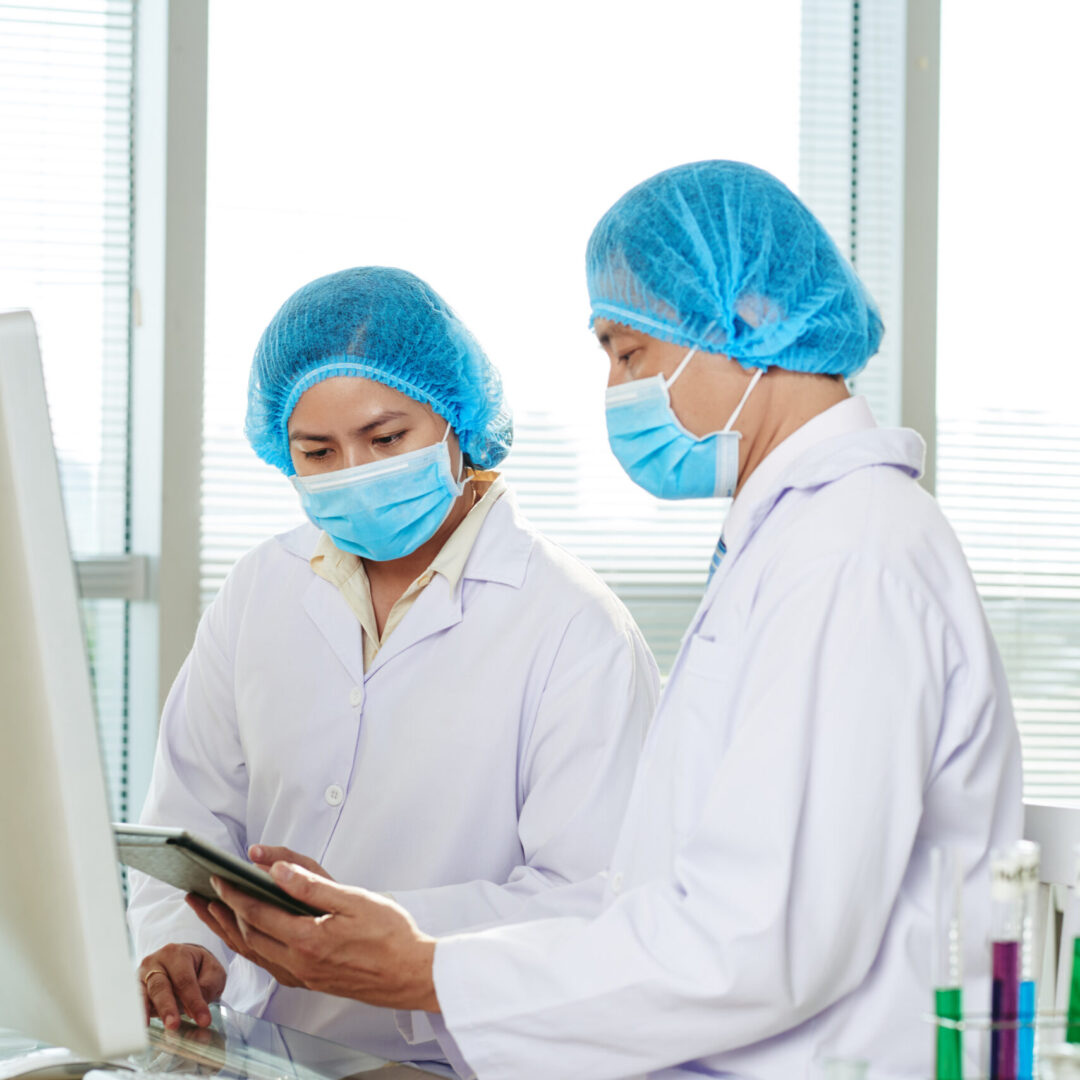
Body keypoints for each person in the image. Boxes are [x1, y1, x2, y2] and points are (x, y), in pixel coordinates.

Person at [192, 163, 1023, 1079]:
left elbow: (761, 940)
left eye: (628, 352)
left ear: (748, 316)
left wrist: (428, 969)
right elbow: (684, 899)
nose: (619, 389)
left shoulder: (850, 555)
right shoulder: (799, 542)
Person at [127, 267, 659, 1063]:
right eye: (317, 451)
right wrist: (182, 951)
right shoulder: (259, 589)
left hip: (453, 1060)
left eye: (385, 439)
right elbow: (191, 818)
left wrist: (390, 938)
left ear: (456, 421)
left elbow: (593, 900)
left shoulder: (575, 627)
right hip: (255, 1046)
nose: (354, 471)